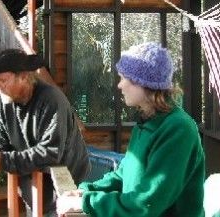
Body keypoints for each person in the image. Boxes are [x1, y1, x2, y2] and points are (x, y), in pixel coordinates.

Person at [57, 42, 205, 217]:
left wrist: (86, 202)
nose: (119, 85)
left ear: (142, 83)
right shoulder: (146, 122)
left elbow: (147, 203)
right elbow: (123, 174)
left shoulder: (179, 129)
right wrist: (87, 191)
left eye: (123, 78)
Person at [0, 48, 92, 216]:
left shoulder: (52, 99)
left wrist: (3, 160)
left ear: (24, 77)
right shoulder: (2, 99)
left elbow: (50, 152)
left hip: (69, 180)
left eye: (3, 79)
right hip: (32, 182)